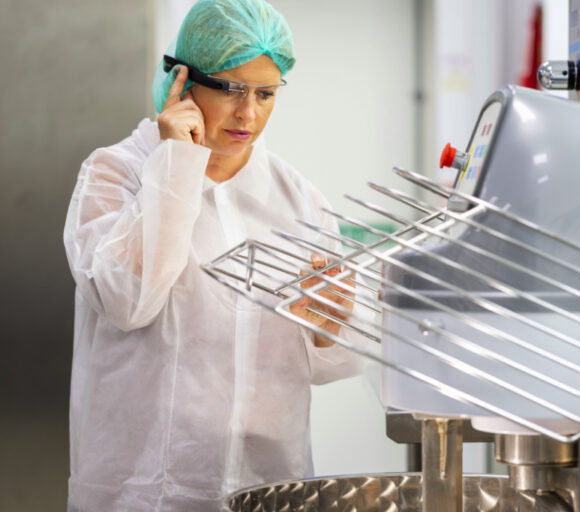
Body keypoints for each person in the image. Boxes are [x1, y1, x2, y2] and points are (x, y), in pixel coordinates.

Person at [63, 1, 366, 510]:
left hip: (268, 487)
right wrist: (178, 162)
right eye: (231, 89)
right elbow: (127, 301)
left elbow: (332, 361)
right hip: (140, 493)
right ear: (181, 81)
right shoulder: (115, 175)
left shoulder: (298, 200)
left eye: (266, 93)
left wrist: (328, 322)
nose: (249, 114)